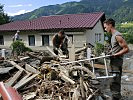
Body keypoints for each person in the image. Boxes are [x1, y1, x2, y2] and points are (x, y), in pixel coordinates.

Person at [104, 18, 129, 100]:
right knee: (113, 82)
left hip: (116, 62)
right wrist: (110, 53)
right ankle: (115, 97)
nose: (105, 29)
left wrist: (115, 55)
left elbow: (126, 49)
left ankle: (117, 98)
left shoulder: (117, 35)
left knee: (114, 81)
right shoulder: (112, 36)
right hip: (113, 61)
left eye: (105, 27)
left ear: (110, 25)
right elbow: (116, 48)